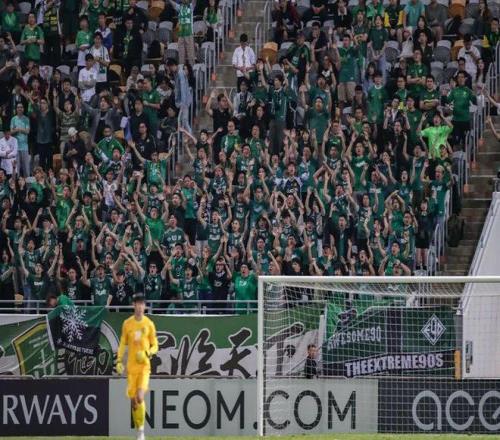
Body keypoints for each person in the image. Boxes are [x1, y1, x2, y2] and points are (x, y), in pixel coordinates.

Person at [116, 293, 158, 440]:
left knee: (140, 397)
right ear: (133, 305)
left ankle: (141, 432)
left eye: (142, 304)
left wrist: (147, 353)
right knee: (134, 402)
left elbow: (155, 345)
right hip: (131, 368)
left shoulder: (149, 324)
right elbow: (123, 343)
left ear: (145, 306)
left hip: (144, 367)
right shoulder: (127, 323)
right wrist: (119, 360)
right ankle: (139, 428)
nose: (140, 307)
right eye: (137, 304)